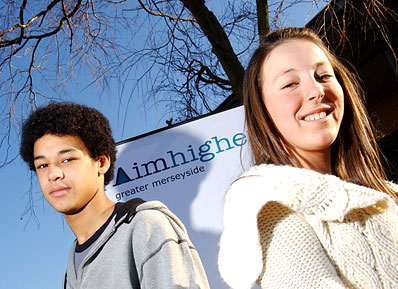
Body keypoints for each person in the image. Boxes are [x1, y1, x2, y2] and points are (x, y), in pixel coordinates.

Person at [218, 27, 398, 289]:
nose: (316, 91)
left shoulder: (389, 195)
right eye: (290, 84)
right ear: (262, 111)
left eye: (324, 75)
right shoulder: (269, 207)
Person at [20, 102, 210, 289]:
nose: (53, 174)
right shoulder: (73, 266)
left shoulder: (145, 225)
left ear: (101, 162)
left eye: (67, 159)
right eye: (42, 165)